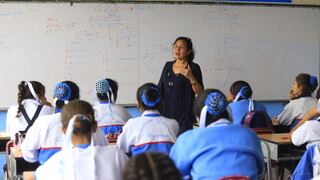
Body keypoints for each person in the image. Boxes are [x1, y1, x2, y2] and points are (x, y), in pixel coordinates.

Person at [169, 89, 265, 180]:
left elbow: (175, 175)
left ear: (198, 117)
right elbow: (260, 172)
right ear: (228, 110)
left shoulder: (187, 139)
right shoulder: (250, 135)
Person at [33, 100, 128, 180]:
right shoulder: (117, 155)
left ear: (64, 131)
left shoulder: (54, 163)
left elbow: (34, 176)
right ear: (95, 127)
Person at [21, 81, 80, 165]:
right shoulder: (84, 123)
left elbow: (28, 154)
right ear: (77, 100)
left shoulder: (42, 122)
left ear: (53, 99)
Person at [117, 83, 179, 156]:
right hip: (167, 166)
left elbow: (120, 149)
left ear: (138, 104)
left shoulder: (131, 124)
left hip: (141, 166)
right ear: (161, 102)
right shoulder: (173, 124)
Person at [158, 36, 203, 135]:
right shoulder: (167, 65)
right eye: (175, 46)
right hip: (166, 115)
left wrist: (191, 77)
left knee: (182, 146)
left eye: (181, 47)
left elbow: (200, 93)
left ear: (188, 51)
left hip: (184, 117)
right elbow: (159, 89)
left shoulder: (194, 67)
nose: (177, 49)